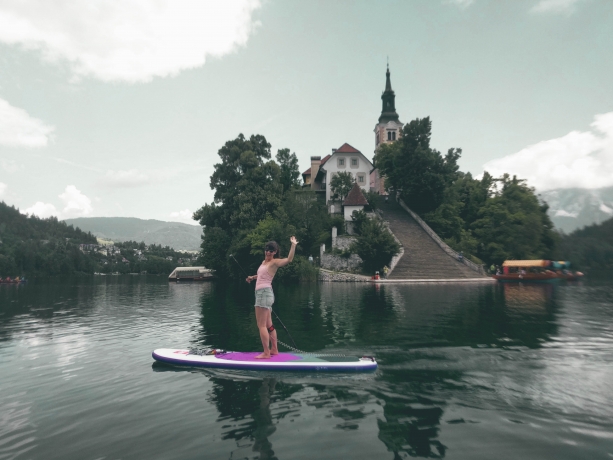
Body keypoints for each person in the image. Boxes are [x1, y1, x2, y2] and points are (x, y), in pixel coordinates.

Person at [246, 236, 298, 359]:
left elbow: (289, 260)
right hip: (264, 294)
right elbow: (262, 276)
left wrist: (293, 245)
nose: (268, 252)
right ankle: (274, 349)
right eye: (267, 249)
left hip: (263, 294)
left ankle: (266, 353)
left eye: (271, 250)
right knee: (269, 325)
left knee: (261, 325)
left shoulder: (274, 262)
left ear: (275, 252)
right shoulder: (264, 263)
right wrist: (253, 277)